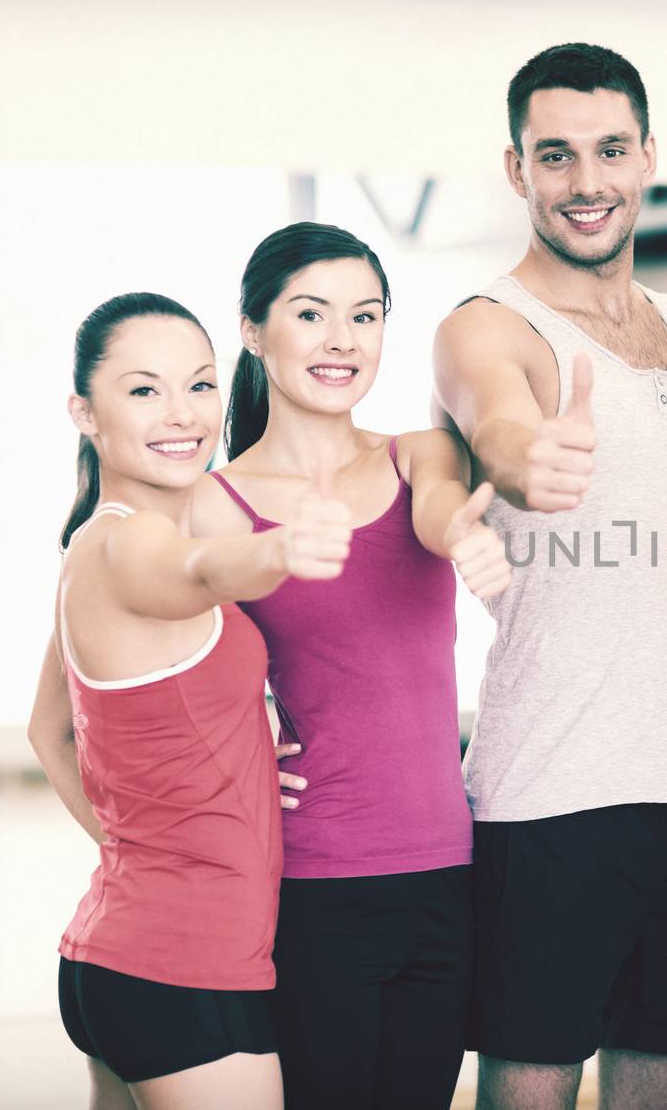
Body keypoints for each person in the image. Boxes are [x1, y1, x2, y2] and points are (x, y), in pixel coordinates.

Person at [432, 42, 667, 1110]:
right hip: (549, 798)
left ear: (647, 156)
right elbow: (501, 420)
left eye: (609, 151)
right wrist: (527, 453)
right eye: (554, 156)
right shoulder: (486, 325)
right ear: (516, 170)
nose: (586, 181)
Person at [189, 222, 510, 1110]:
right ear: (253, 329)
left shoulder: (420, 454)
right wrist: (244, 755)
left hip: (448, 874)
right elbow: (170, 685)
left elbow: (442, 508)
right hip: (312, 887)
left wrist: (467, 537)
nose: (342, 340)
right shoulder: (215, 507)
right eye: (311, 313)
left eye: (364, 316)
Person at [30, 292, 351, 1109]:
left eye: (201, 385)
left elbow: (49, 730)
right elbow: (200, 572)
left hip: (120, 954)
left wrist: (168, 831)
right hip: (183, 971)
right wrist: (281, 548)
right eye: (143, 390)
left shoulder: (89, 544)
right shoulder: (132, 543)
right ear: (85, 412)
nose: (182, 414)